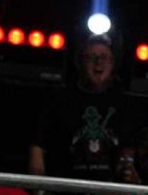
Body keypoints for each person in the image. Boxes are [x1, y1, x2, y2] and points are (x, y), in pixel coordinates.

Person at [30, 34, 142, 180]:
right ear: (80, 62)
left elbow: (129, 152)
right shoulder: (58, 99)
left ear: (113, 63)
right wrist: (39, 188)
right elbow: (38, 146)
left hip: (107, 191)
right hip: (63, 189)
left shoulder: (124, 103)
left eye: (104, 57)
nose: (98, 62)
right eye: (91, 57)